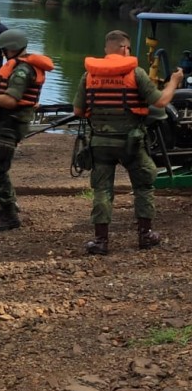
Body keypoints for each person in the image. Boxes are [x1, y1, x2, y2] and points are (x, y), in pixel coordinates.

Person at [73, 30, 183, 255]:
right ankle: (145, 236)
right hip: (131, 143)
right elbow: (161, 101)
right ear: (125, 49)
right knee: (143, 186)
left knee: (102, 189)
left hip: (101, 144)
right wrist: (174, 82)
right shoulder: (136, 73)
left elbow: (78, 110)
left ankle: (101, 241)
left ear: (107, 49)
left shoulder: (89, 75)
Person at [0, 29, 54, 231]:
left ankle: (10, 213)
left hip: (11, 125)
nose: (2, 54)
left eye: (4, 50)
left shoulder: (21, 71)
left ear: (12, 49)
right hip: (4, 123)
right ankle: (6, 205)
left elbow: (10, 101)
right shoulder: (19, 66)